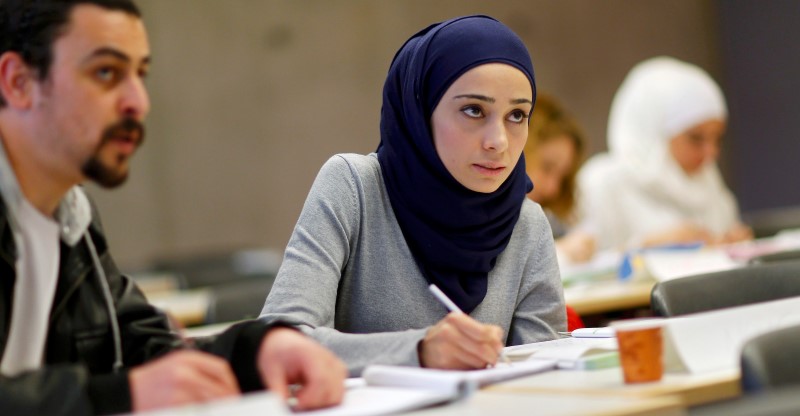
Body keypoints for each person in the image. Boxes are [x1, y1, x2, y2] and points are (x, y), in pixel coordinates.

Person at [0, 1, 345, 415]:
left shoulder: (71, 218)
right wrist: (119, 396)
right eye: (106, 72)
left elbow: (145, 349)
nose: (138, 102)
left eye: (140, 74)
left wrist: (260, 349)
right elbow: (130, 385)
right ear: (17, 82)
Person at [260, 15, 565, 376]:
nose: (498, 141)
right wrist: (418, 350)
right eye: (473, 110)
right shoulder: (354, 187)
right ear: (419, 112)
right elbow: (280, 341)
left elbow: (546, 368)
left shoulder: (527, 222)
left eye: (517, 115)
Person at [577, 56, 753, 251]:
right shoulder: (603, 183)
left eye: (717, 139)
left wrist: (730, 245)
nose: (711, 152)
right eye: (696, 138)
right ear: (654, 131)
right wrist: (647, 247)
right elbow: (577, 267)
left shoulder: (709, 183)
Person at [523, 94, 595, 264]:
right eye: (547, 167)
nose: (552, 189)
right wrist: (559, 252)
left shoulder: (549, 220)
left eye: (562, 177)